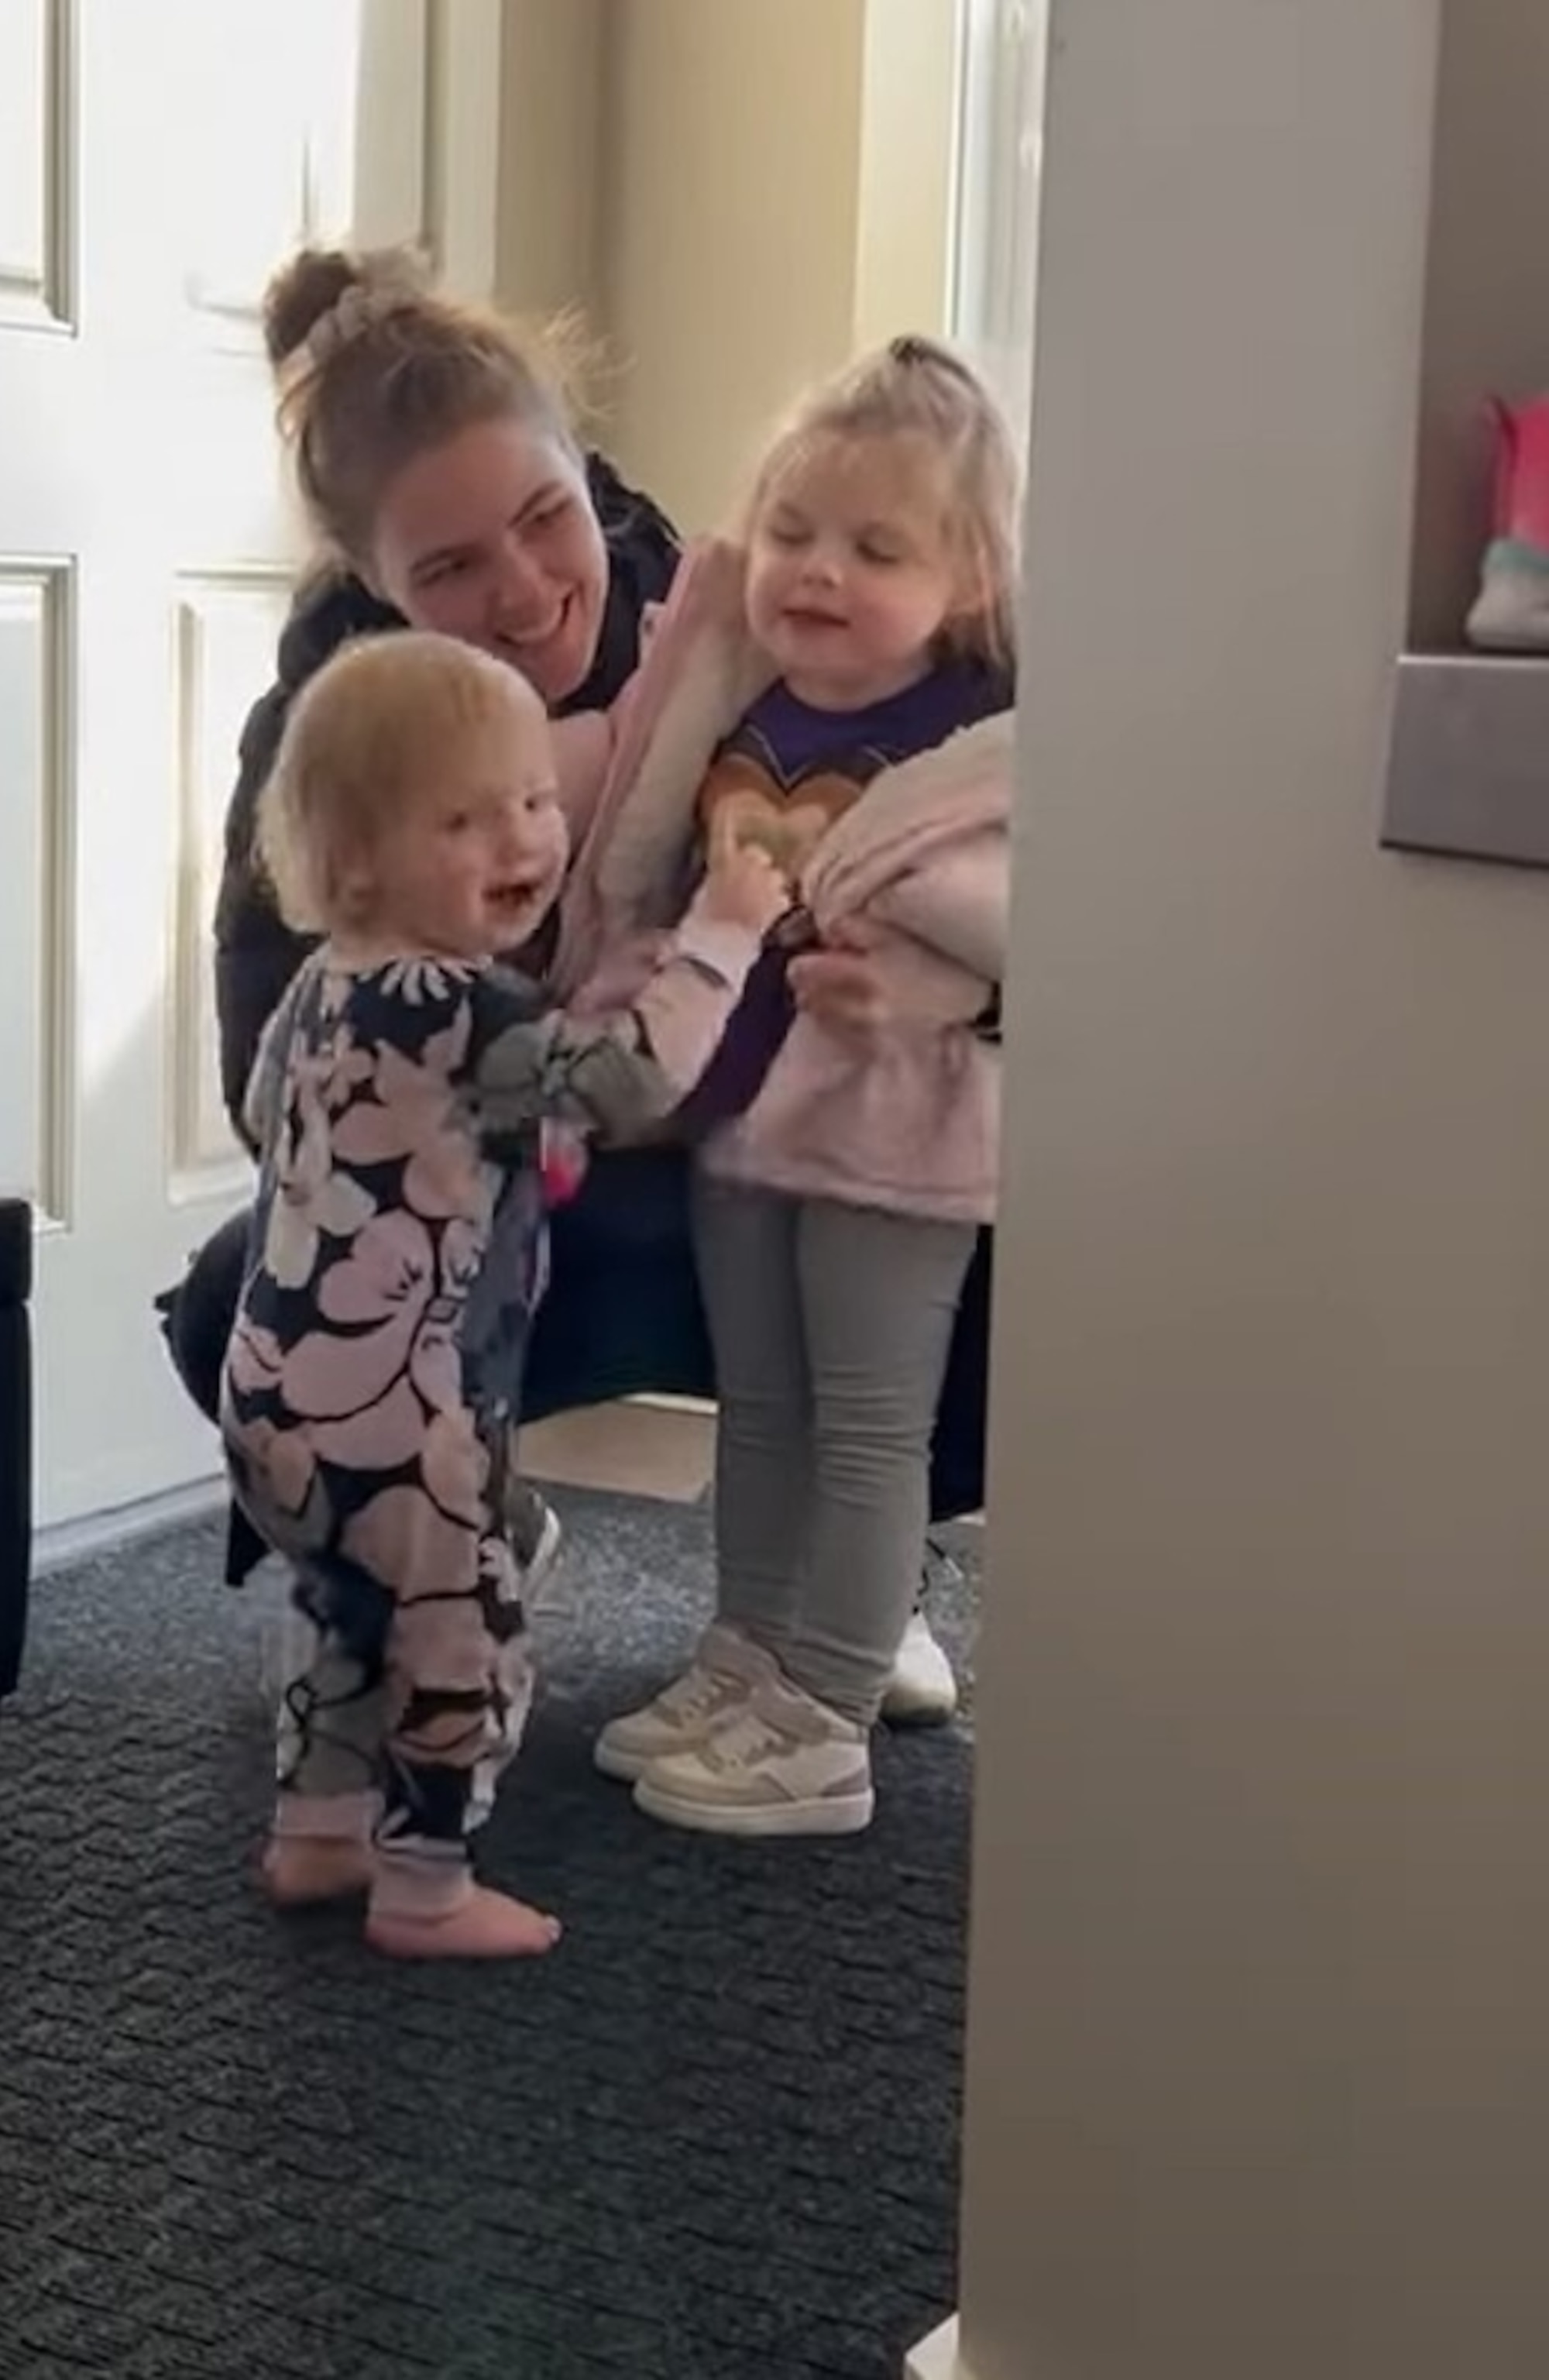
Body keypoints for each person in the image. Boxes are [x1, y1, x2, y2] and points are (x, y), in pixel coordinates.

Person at [155, 245, 992, 1714]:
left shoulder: (737, 629)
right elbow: (267, 1080)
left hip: (800, 1129)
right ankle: (451, 1513)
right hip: (540, 1167)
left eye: (548, 522)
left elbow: (1015, 870)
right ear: (374, 580)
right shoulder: (334, 737)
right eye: (453, 567)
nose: (529, 592)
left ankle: (865, 1562)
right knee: (247, 1294)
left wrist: (962, 999)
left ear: (590, 484)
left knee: (955, 1209)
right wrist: (489, 1050)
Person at [225, 628, 784, 1957]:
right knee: (459, 1630)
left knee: (341, 1607)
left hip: (272, 1395)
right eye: (466, 819)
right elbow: (632, 1079)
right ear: (356, 859)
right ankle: (426, 1885)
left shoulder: (318, 988)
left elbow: (273, 1116)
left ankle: (317, 1834)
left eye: (536, 801)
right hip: (403, 1408)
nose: (524, 838)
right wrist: (723, 935)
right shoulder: (472, 1008)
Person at [586, 337, 1021, 1835]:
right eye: (791, 533)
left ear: (963, 580)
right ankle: (751, 1650)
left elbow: (1028, 925)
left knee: (866, 1424)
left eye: (874, 546)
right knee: (759, 1411)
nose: (817, 570)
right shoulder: (748, 713)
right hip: (750, 1124)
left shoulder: (976, 745)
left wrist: (918, 970)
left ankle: (829, 1706)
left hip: (899, 1137)